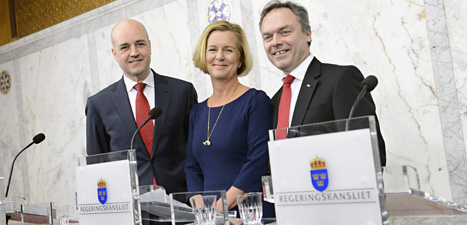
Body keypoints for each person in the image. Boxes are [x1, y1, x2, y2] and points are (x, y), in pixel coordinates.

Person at [259, 0, 386, 166]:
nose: (275, 42)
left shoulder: (342, 79)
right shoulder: (274, 101)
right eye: (268, 37)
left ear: (308, 34)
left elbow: (369, 153)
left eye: (284, 32)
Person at [86, 19, 198, 196]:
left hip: (182, 204)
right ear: (114, 54)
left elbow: (196, 154)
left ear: (150, 46)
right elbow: (96, 168)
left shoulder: (182, 92)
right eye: (124, 47)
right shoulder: (98, 105)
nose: (134, 52)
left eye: (140, 44)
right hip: (131, 212)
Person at [185, 20, 275, 217]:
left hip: (248, 214)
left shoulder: (255, 101)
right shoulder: (197, 112)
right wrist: (203, 212)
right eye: (212, 49)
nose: (219, 56)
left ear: (240, 59)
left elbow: (258, 162)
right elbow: (191, 167)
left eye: (228, 50)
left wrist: (218, 210)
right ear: (204, 55)